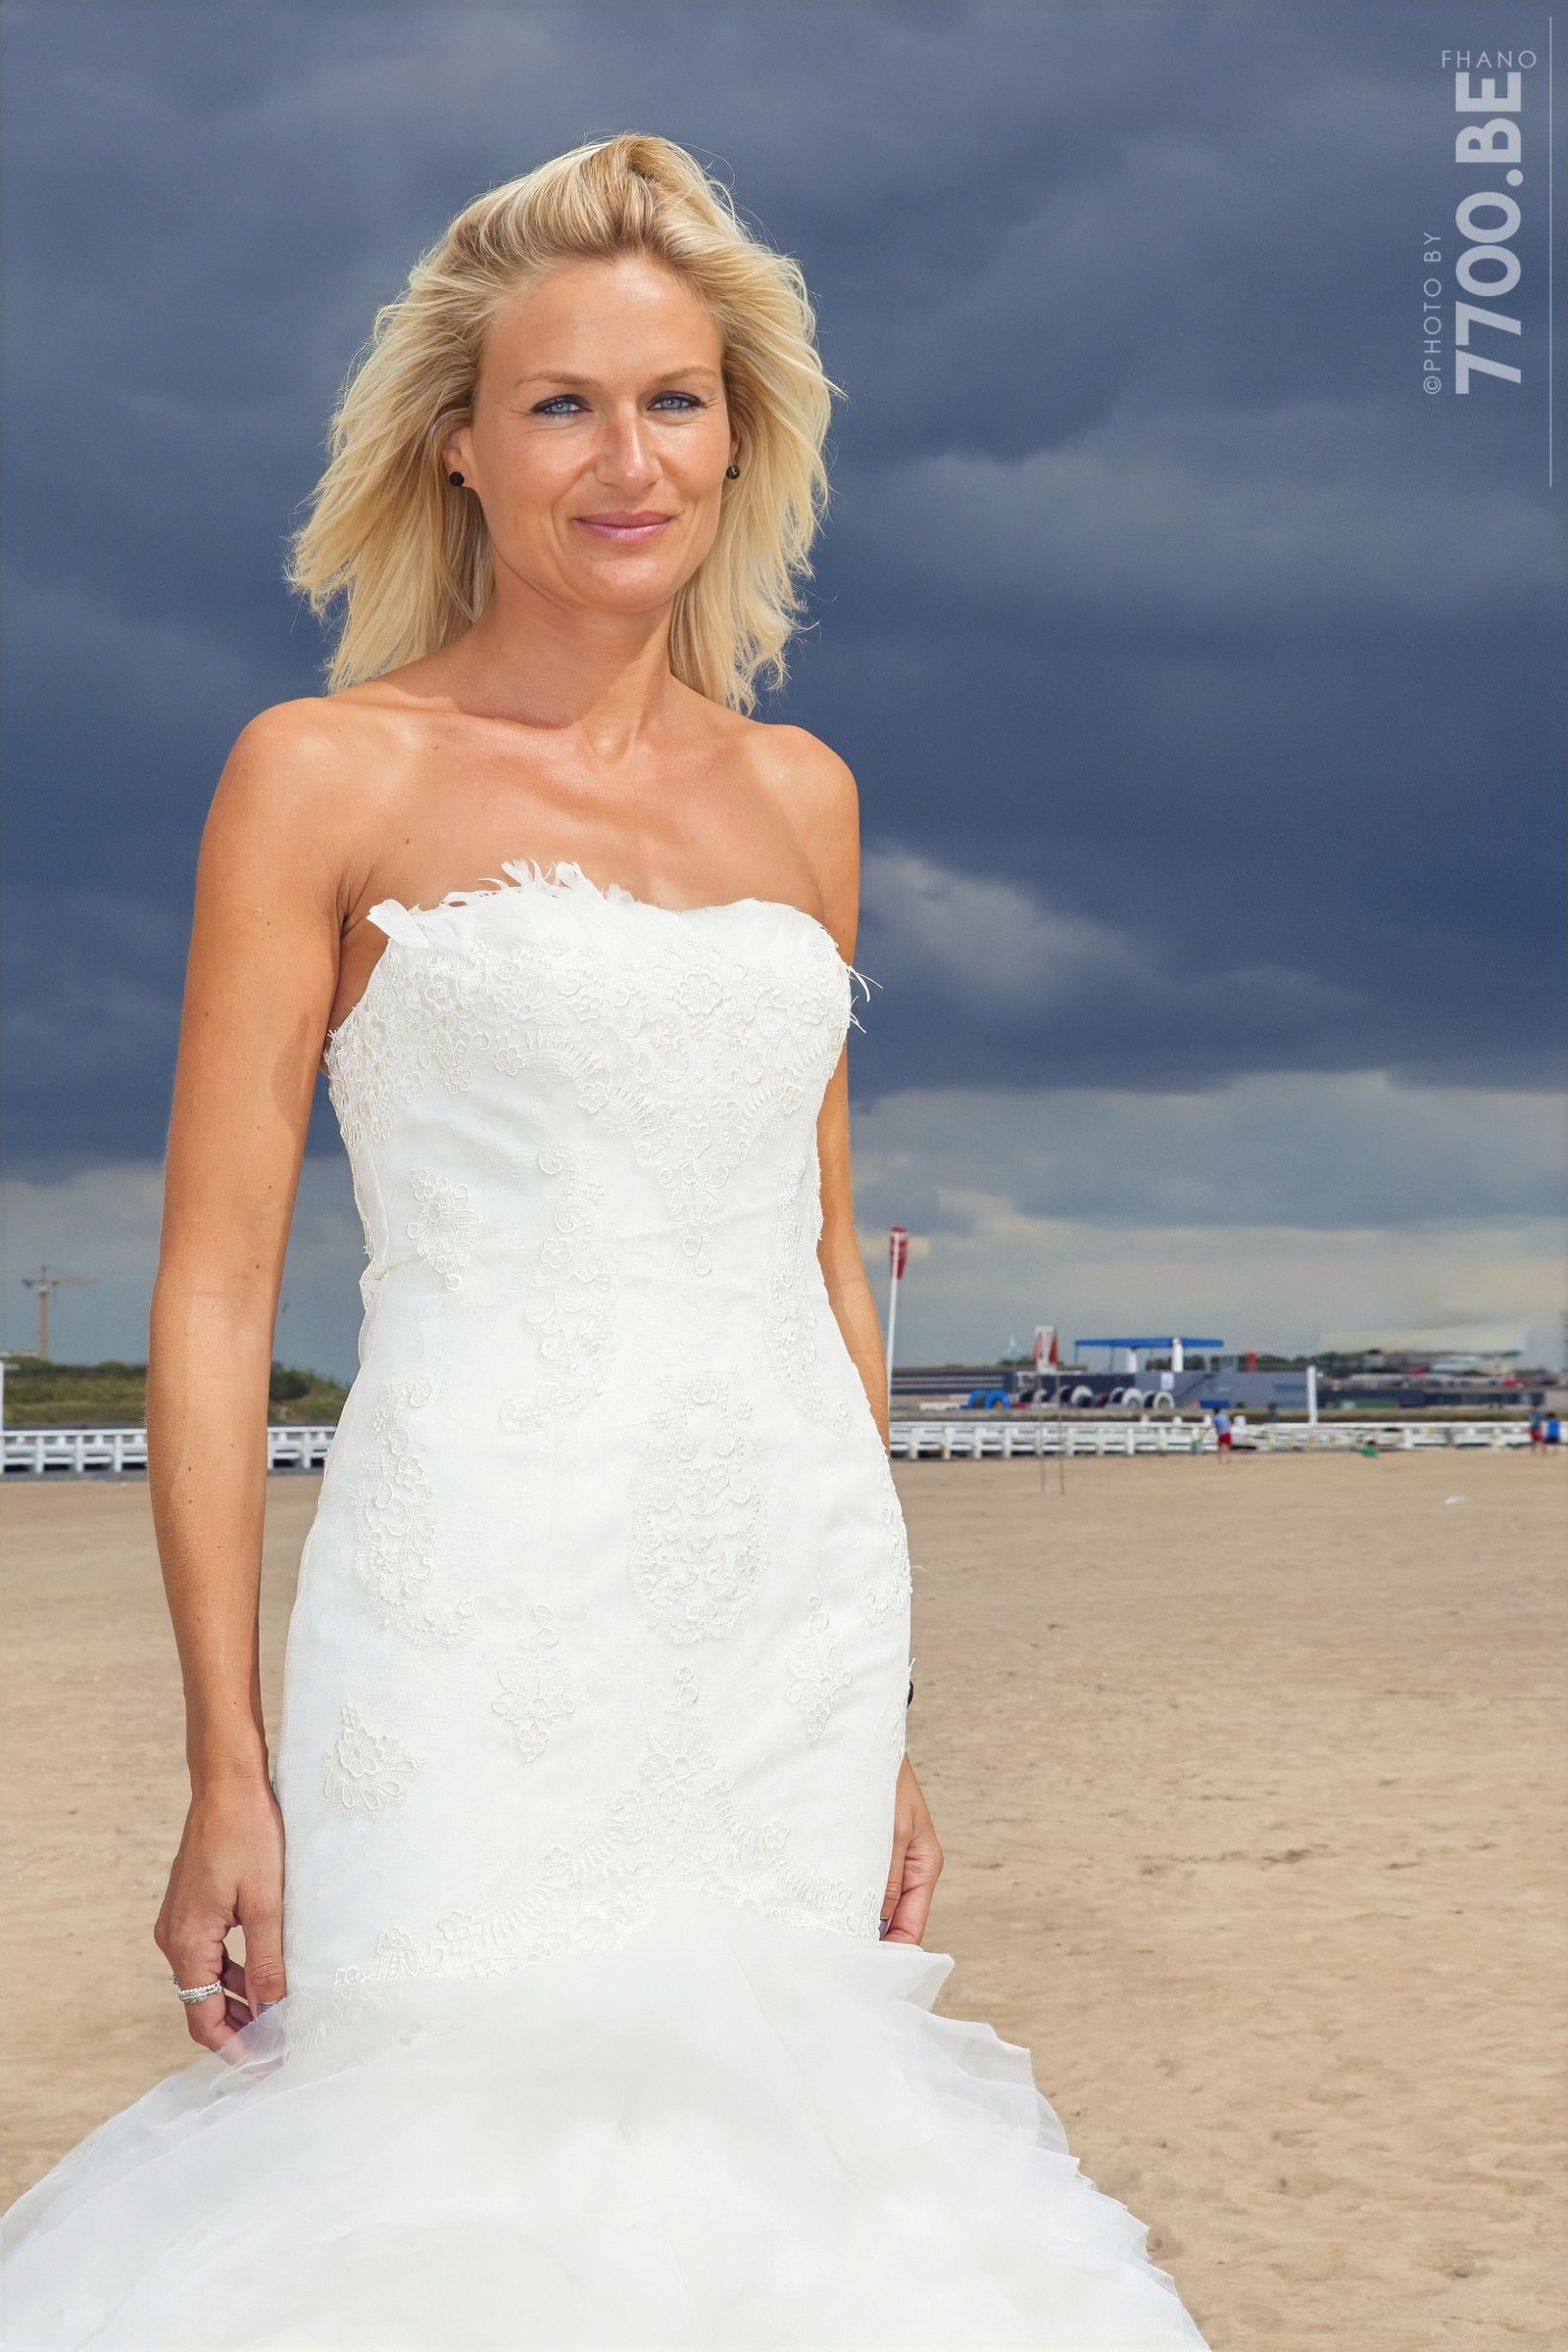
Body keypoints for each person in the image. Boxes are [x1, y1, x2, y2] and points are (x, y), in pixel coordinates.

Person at [0, 136, 1209, 2348]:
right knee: (438, 2203)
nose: (621, 457)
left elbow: (820, 1253)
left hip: (782, 1640)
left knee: (793, 2209)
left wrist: (894, 1710)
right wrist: (224, 1757)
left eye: (670, 399)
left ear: (739, 433)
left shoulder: (801, 799)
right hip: (464, 1609)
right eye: (560, 403)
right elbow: (211, 1287)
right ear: (458, 446)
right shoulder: (317, 774)